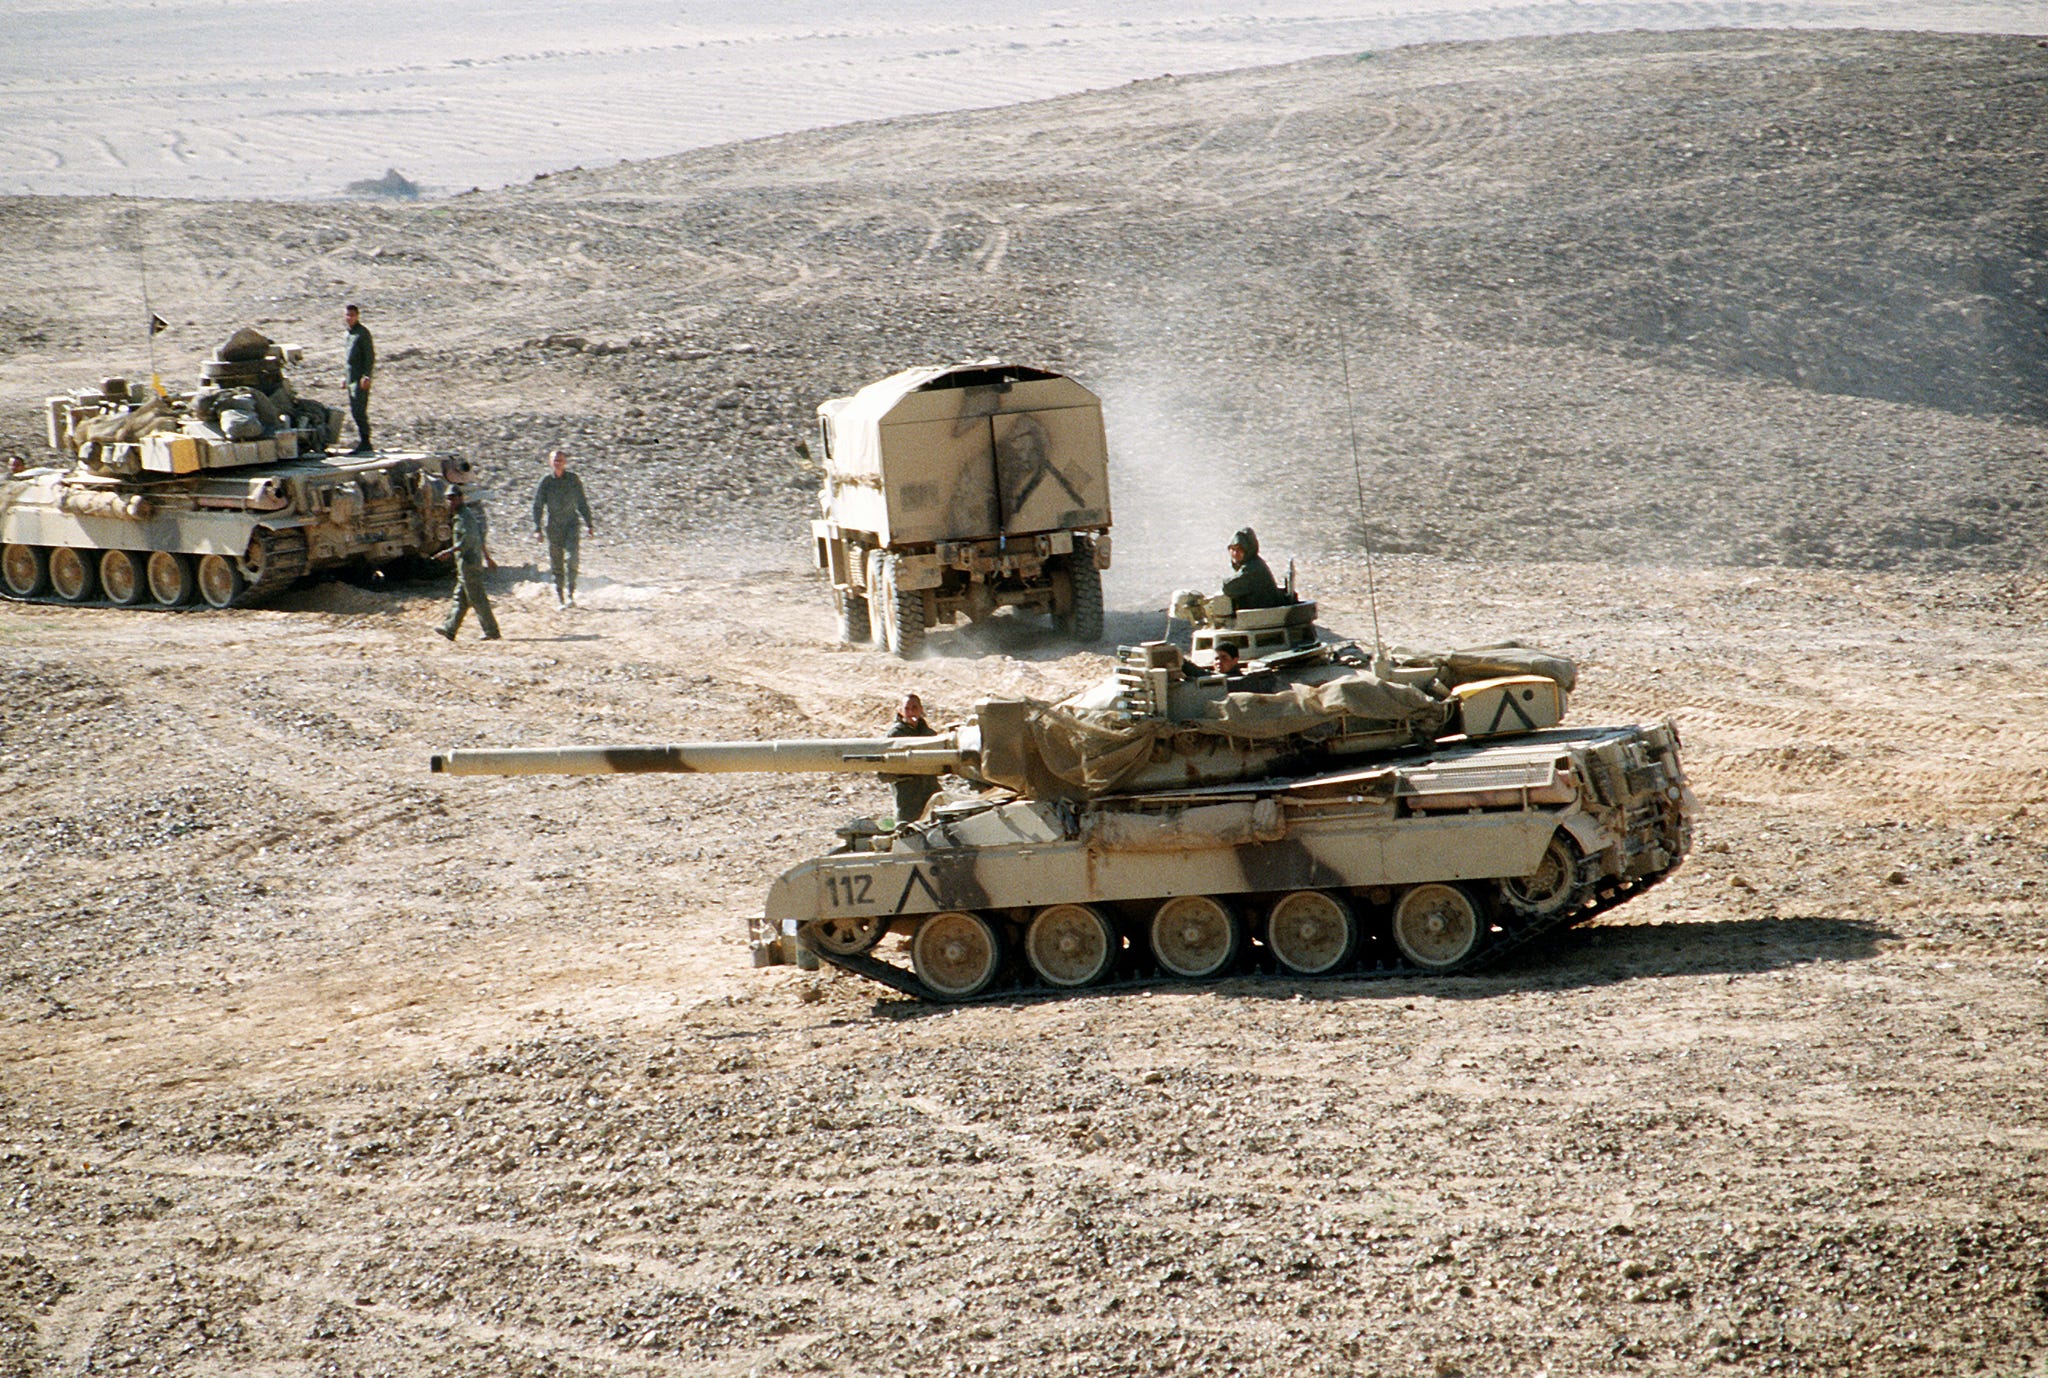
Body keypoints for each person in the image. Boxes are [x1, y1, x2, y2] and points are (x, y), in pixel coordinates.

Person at [531, 449, 596, 607]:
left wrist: (589, 524)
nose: (558, 463)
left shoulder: (573, 479)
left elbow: (582, 502)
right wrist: (537, 528)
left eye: (560, 460)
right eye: (555, 460)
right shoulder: (546, 482)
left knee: (572, 559)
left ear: (565, 462)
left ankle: (571, 593)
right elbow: (538, 505)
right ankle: (560, 596)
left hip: (571, 524)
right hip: (554, 526)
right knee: (556, 562)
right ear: (550, 463)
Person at [433, 488, 500, 641]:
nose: (450, 502)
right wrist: (488, 558)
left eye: (453, 498)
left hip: (469, 563)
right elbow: (479, 538)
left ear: (461, 498)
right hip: (467, 564)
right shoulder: (465, 515)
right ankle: (450, 628)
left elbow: (468, 540)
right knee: (460, 597)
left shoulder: (464, 517)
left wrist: (448, 551)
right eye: (448, 498)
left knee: (477, 598)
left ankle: (492, 631)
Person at [883, 693, 940, 824]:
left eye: (914, 708)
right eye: (907, 708)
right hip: (908, 798)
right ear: (901, 711)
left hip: (930, 792)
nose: (910, 712)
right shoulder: (894, 736)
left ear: (921, 709)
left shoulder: (930, 735)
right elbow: (883, 772)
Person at [1221, 526, 1287, 610]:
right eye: (1232, 549)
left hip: (1264, 616)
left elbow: (1229, 588)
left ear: (1248, 550)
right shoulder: (1253, 563)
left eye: (1240, 549)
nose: (1235, 553)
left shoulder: (1253, 568)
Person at [343, 303, 375, 453]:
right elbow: (348, 360)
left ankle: (366, 441)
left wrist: (367, 375)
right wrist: (345, 377)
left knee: (359, 410)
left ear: (357, 316)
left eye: (352, 315)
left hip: (360, 379)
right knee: (355, 411)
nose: (349, 318)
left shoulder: (362, 333)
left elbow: (369, 356)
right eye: (347, 315)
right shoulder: (348, 334)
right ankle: (364, 441)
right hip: (351, 378)